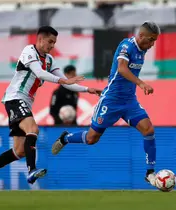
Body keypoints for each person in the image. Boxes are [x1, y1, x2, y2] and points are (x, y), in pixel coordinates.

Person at [0, 26, 102, 192]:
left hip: (24, 102)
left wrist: (87, 89)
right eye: (50, 41)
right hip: (15, 98)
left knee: (19, 151)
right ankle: (31, 170)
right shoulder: (29, 51)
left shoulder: (49, 60)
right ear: (40, 39)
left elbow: (64, 81)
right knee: (33, 129)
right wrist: (63, 81)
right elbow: (40, 74)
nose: (52, 45)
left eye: (54, 42)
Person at [51, 22, 160, 188]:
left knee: (149, 130)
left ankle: (150, 172)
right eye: (151, 40)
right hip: (111, 101)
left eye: (154, 41)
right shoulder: (126, 45)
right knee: (92, 138)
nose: (152, 44)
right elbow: (122, 69)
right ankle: (66, 138)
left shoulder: (143, 49)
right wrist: (141, 83)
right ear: (141, 35)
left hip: (129, 101)